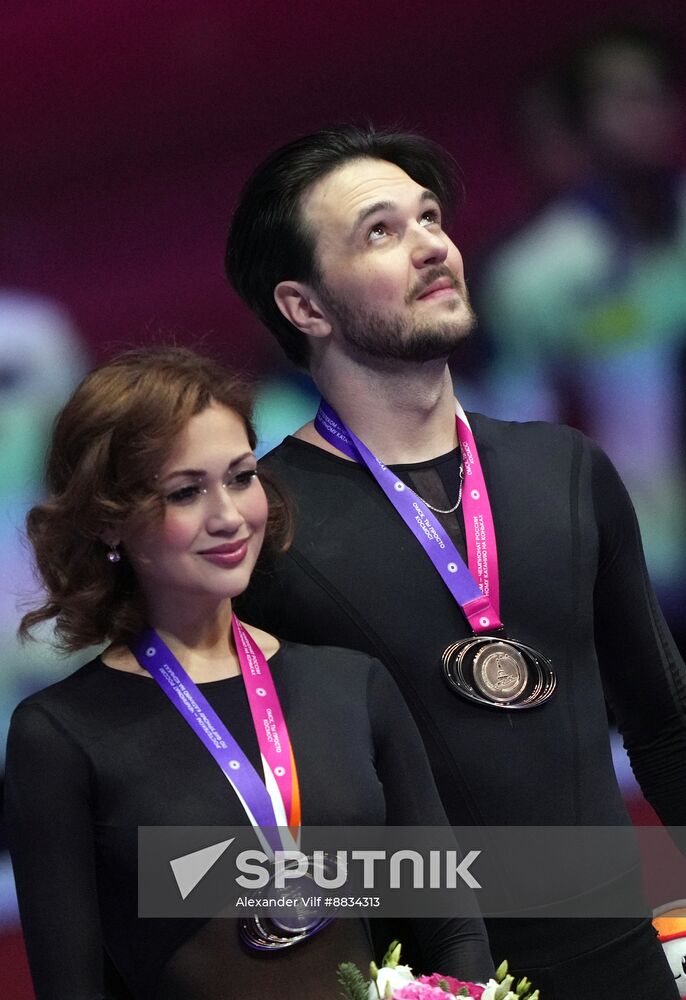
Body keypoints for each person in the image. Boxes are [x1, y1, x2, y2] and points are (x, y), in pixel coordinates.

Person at [225, 125, 686, 997]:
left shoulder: (566, 468)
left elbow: (665, 725)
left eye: (429, 218)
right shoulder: (260, 526)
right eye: (380, 231)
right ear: (305, 307)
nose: (432, 244)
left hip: (632, 969)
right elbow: (244, 838)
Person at [4, 346, 492, 1000]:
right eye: (185, 492)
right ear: (108, 520)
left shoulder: (353, 686)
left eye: (240, 477)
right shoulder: (60, 736)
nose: (229, 516)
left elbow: (453, 925)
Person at [477, 25, 686, 635]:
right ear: (576, 126)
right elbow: (517, 435)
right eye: (618, 99)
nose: (642, 114)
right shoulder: (534, 274)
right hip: (648, 562)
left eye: (652, 94)